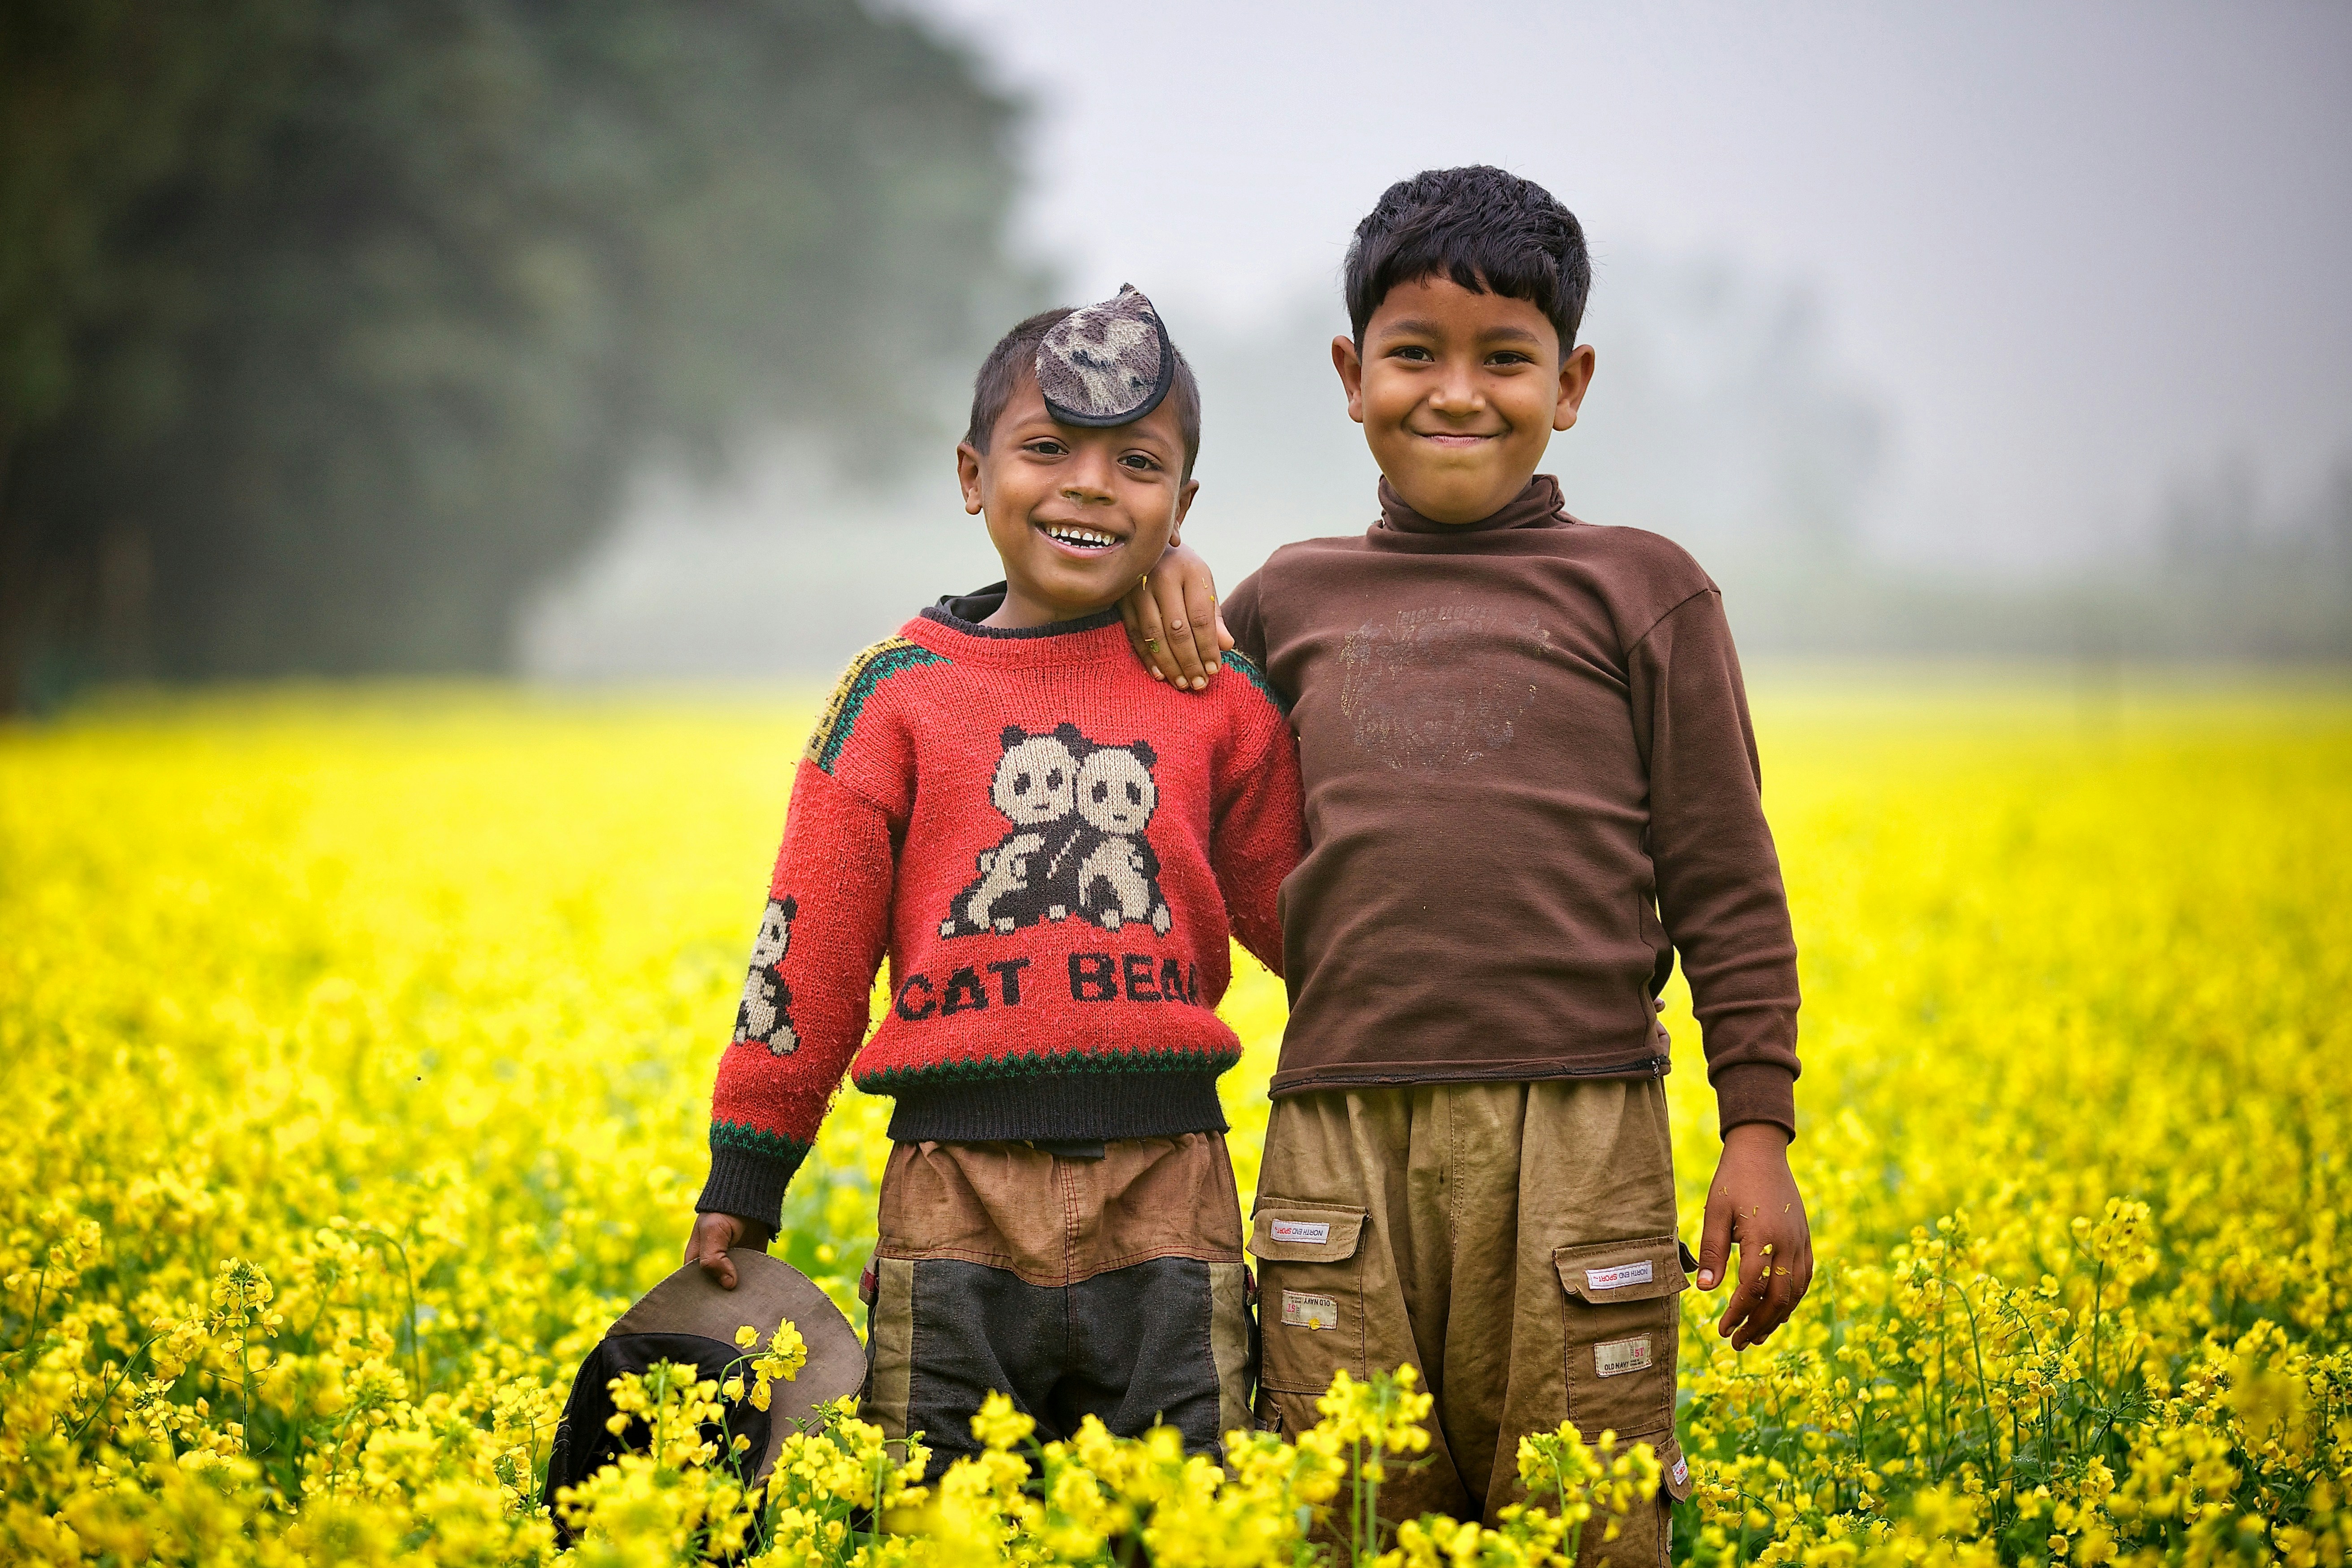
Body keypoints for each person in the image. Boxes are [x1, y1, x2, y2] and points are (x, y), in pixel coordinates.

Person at [1106, 167, 1815, 1560]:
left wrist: (1758, 1132)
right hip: (1337, 1132)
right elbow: (1156, 745)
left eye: (1507, 358)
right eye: (1414, 353)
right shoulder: (1284, 599)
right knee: (1346, 1511)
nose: (1457, 393)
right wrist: (1162, 566)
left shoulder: (1644, 589)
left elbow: (1728, 882)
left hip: (1586, 1125)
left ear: (1574, 381)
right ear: (1349, 373)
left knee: (1588, 1519)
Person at [685, 287, 1304, 1477]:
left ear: (1183, 507)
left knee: (1192, 1514)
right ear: (973, 475)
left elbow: (1308, 919)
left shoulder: (1215, 695)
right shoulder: (896, 694)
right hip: (949, 1196)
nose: (1087, 484)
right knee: (936, 1510)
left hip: (1170, 1184)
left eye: (1136, 461)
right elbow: (804, 953)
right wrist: (747, 1171)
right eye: (1046, 449)